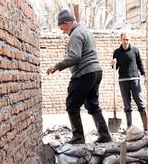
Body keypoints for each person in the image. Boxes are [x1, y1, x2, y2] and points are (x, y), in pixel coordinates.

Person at [46, 9, 112, 144]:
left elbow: (75, 57)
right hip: (95, 72)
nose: (62, 31)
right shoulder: (85, 31)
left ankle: (78, 137)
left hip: (84, 73)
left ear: (67, 23)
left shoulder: (75, 34)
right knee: (93, 105)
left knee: (72, 105)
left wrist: (57, 66)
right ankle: (104, 135)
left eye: (62, 27)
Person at [111, 33, 147, 131]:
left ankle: (146, 128)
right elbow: (115, 68)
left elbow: (140, 63)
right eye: (123, 39)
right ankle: (129, 128)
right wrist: (113, 63)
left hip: (135, 80)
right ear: (121, 40)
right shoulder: (117, 52)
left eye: (127, 39)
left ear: (129, 40)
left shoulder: (135, 50)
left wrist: (144, 75)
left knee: (140, 103)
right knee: (127, 105)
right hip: (123, 81)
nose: (125, 41)